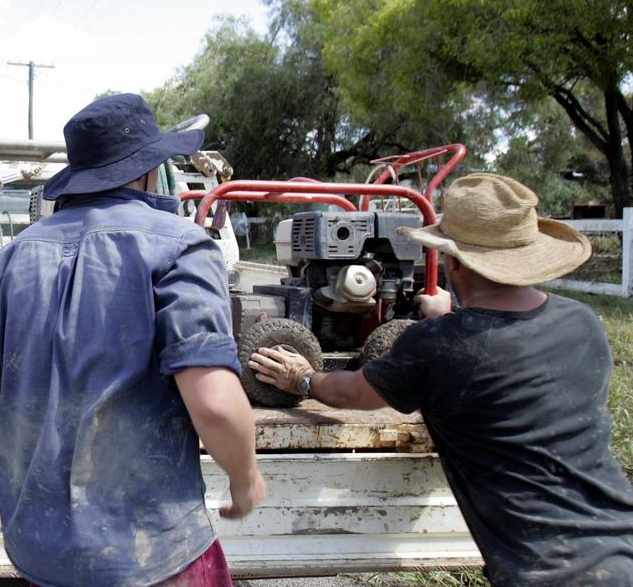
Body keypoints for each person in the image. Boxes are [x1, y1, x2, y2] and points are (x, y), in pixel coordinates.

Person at [248, 173, 633, 586]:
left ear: (451, 261)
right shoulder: (583, 322)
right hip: (619, 544)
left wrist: (303, 378)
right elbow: (504, 354)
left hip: (546, 572)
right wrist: (452, 324)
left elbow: (352, 393)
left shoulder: (439, 347)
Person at [0, 93, 266, 587]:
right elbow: (215, 403)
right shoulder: (182, 245)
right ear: (147, 171)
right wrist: (246, 479)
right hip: (152, 555)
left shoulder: (9, 258)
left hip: (41, 554)